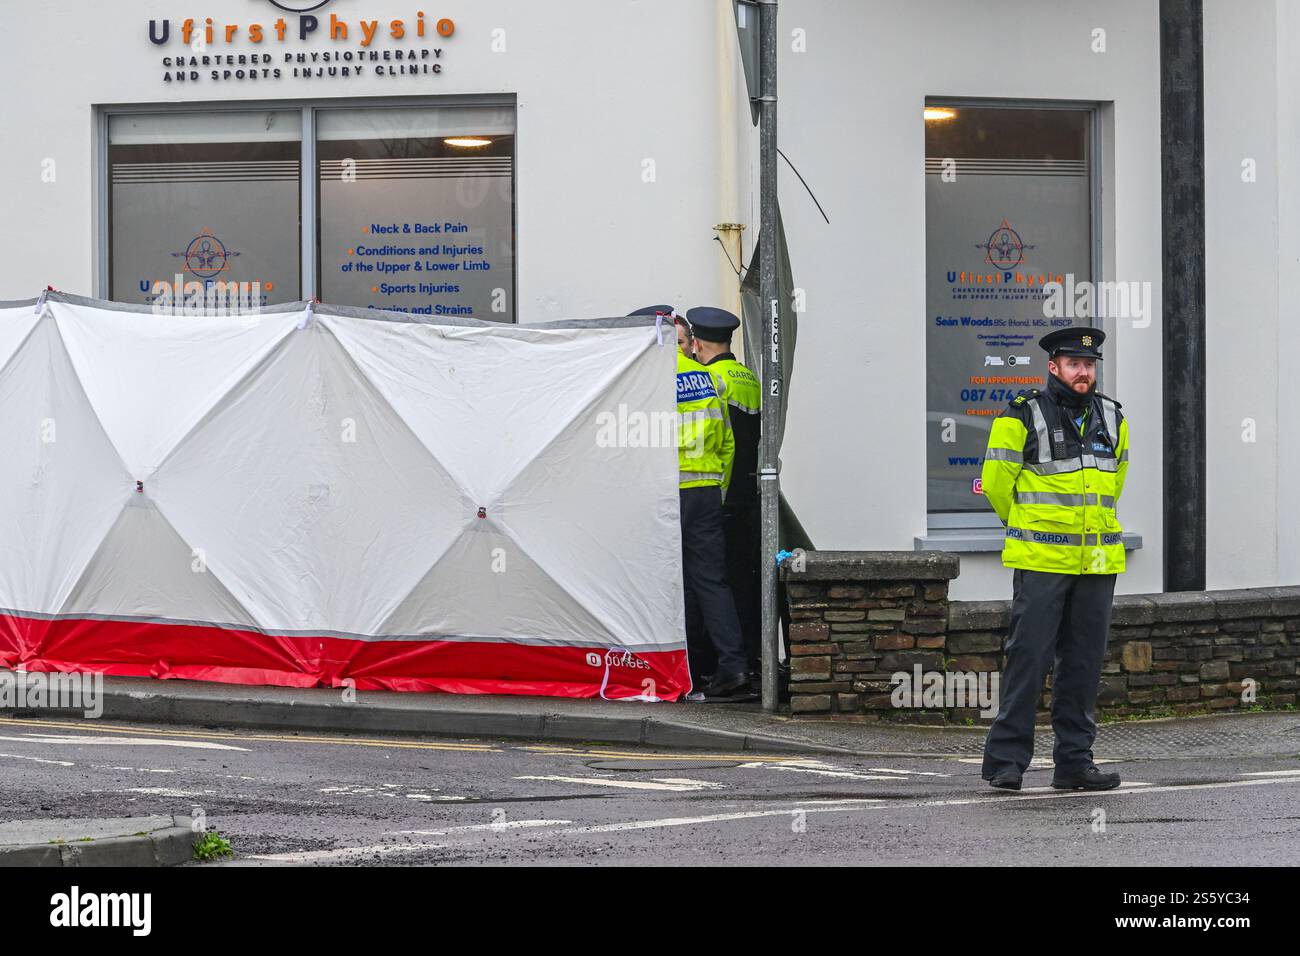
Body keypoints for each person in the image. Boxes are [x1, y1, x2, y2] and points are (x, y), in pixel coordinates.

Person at [978, 326, 1130, 792]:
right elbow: (997, 486)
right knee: (1029, 658)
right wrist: (1029, 530)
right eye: (1073, 364)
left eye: (1089, 365)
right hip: (1042, 561)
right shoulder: (1021, 416)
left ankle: (1074, 763)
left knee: (1083, 664)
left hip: (1097, 565)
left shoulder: (1113, 418)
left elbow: (1115, 483)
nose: (1083, 372)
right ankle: (1005, 763)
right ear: (1053, 366)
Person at [629, 305, 749, 698]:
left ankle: (662, 669)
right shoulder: (704, 377)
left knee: (654, 580)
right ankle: (733, 668)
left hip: (665, 493)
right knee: (710, 581)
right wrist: (719, 490)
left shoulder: (649, 379)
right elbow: (727, 444)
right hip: (706, 493)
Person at [681, 307, 763, 677]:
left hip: (716, 489)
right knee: (735, 581)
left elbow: (722, 442)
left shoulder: (708, 379)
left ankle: (707, 663)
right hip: (747, 491)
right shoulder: (747, 376)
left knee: (707, 580)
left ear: (697, 342)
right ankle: (745, 658)